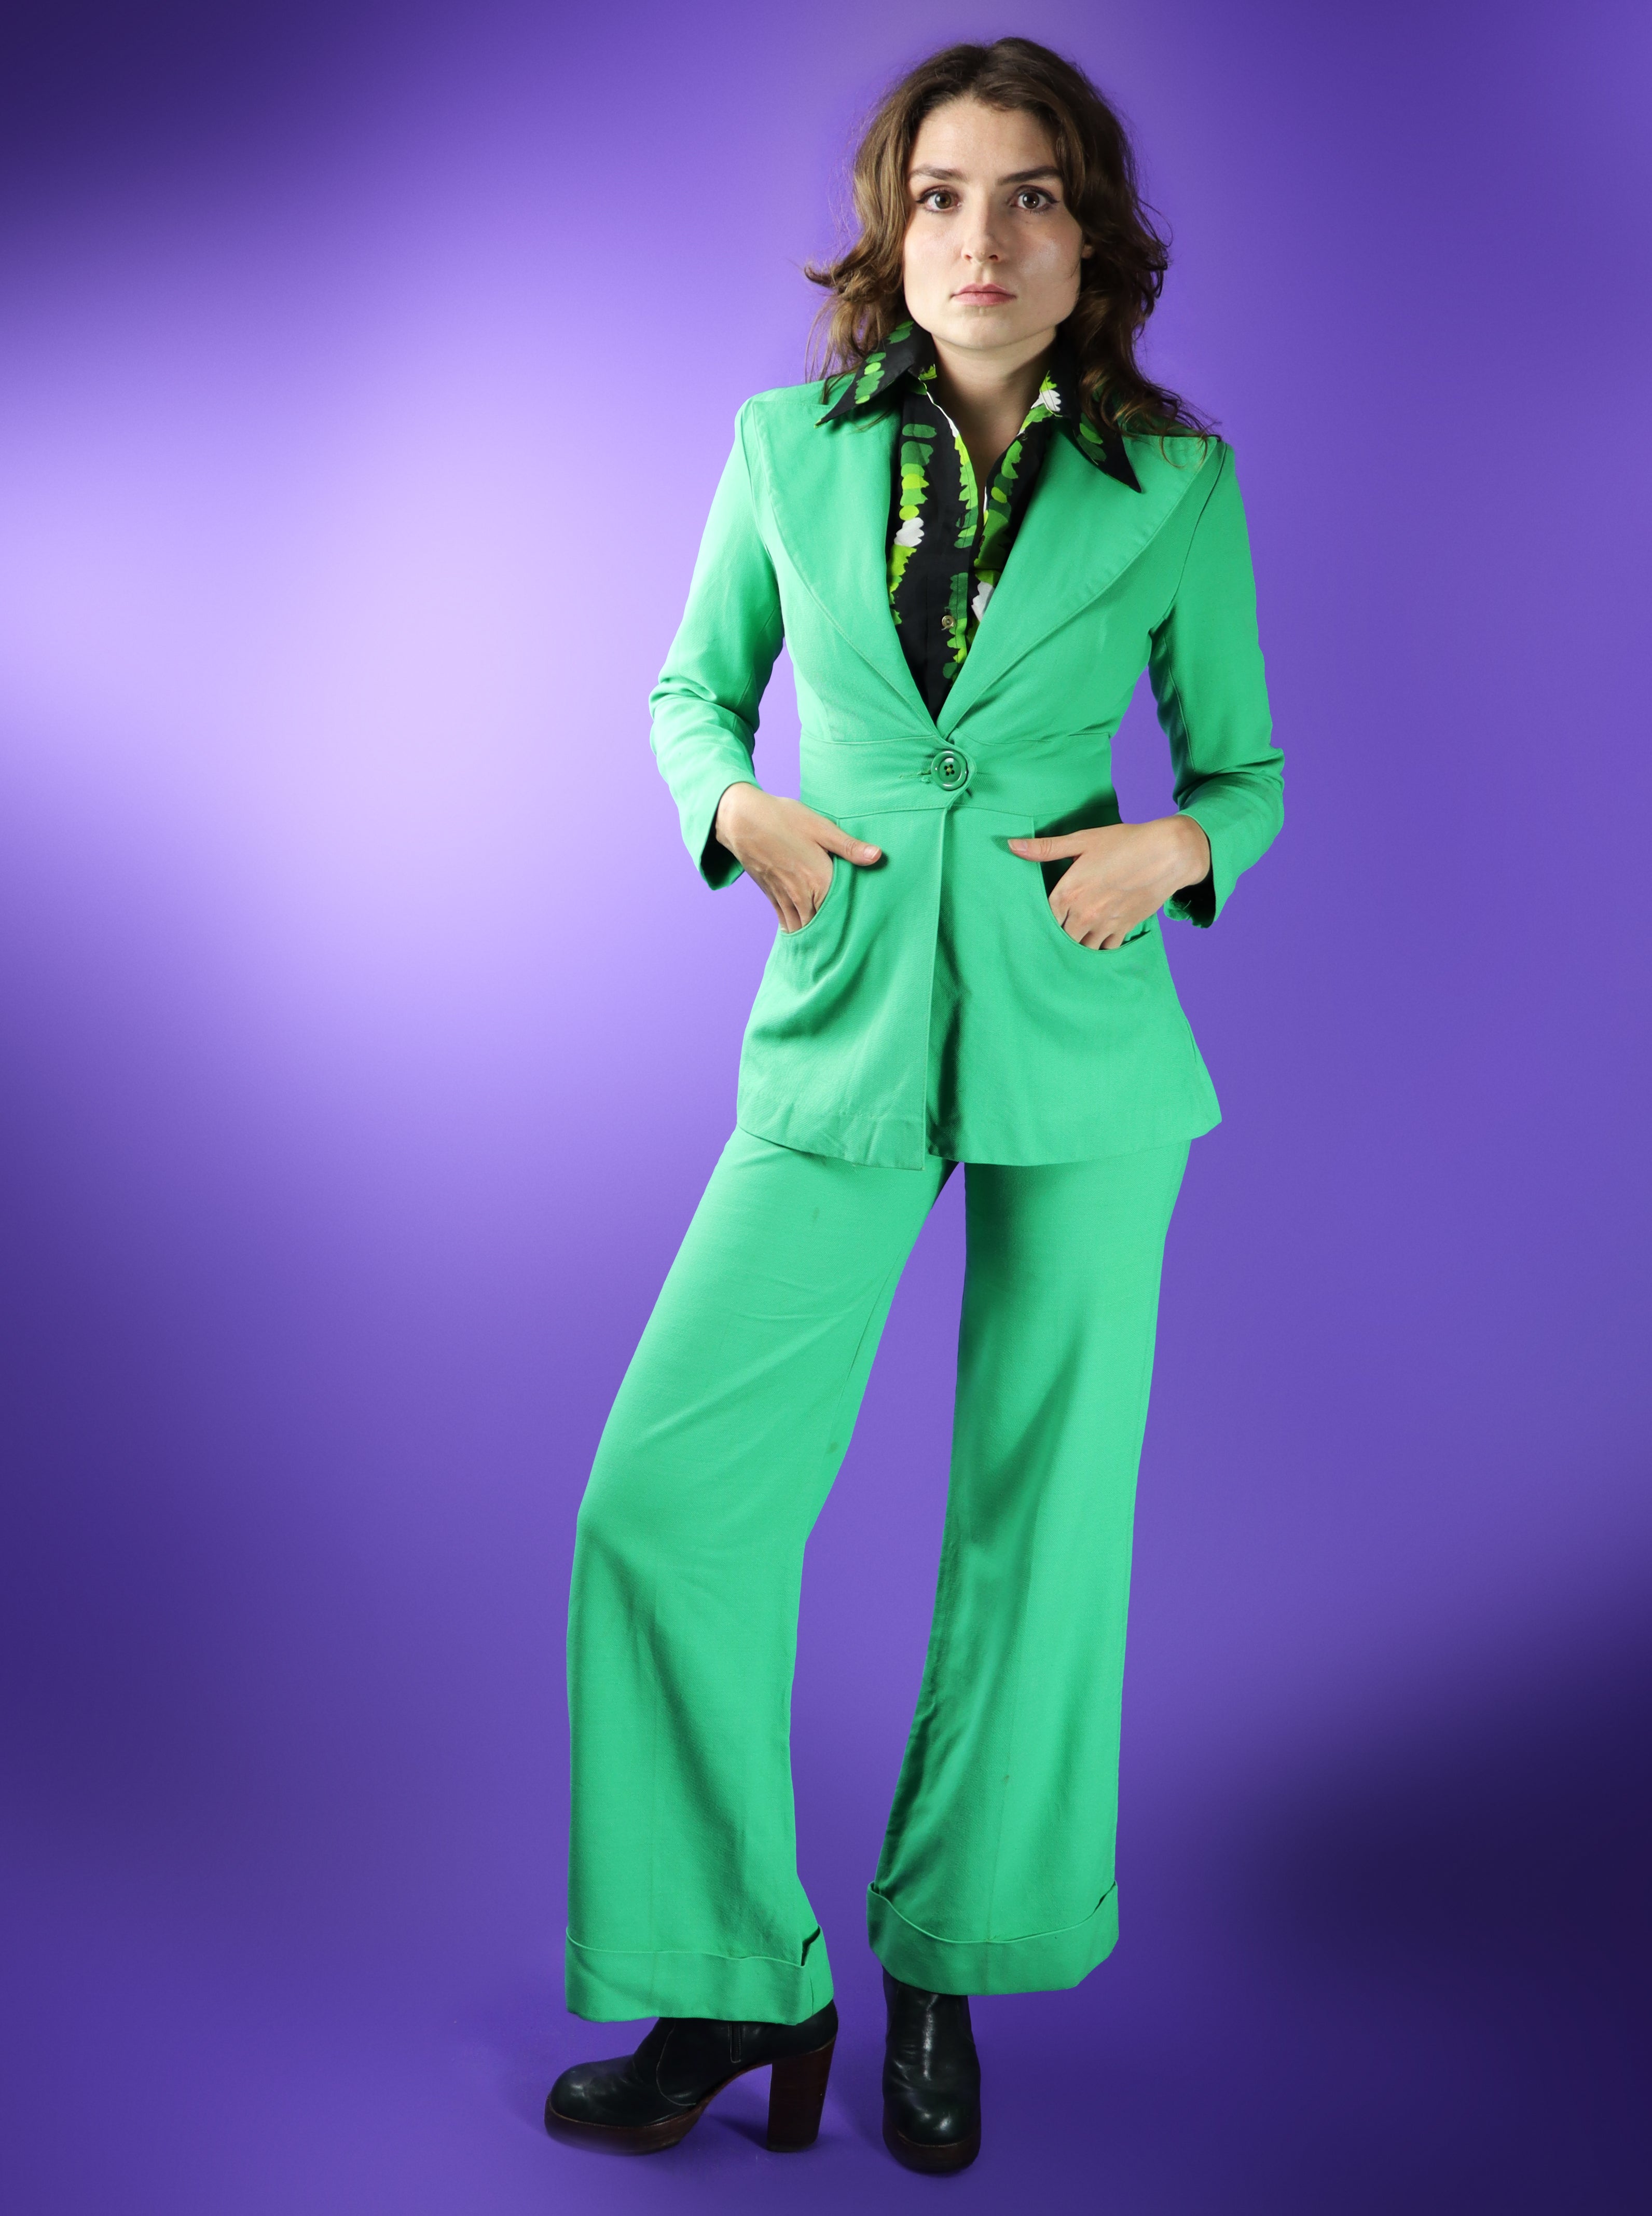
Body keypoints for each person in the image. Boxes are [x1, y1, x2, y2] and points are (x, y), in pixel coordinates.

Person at [544, 36, 1283, 2174]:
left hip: (1083, 1043)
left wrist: (1178, 849)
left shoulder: (1179, 485)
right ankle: (735, 1976)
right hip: (843, 1016)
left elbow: (1240, 769)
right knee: (662, 1503)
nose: (983, 236)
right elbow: (689, 691)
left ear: (1089, 240)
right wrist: (735, 807)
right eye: (943, 194)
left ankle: (946, 1962)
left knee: (1036, 1526)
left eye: (1031, 195)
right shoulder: (782, 449)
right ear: (894, 229)